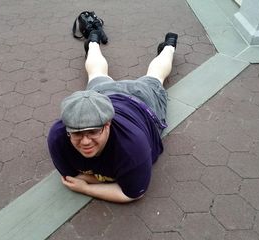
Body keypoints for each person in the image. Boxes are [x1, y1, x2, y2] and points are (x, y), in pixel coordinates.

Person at [48, 28, 177, 203]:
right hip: (102, 96)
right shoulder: (58, 135)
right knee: (96, 74)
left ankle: (169, 46)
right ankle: (93, 40)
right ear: (67, 129)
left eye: (93, 131)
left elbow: (132, 193)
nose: (85, 141)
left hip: (142, 101)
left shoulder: (133, 146)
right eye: (77, 133)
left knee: (156, 76)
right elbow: (72, 177)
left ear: (107, 124)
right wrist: (111, 178)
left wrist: (87, 188)